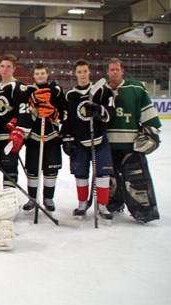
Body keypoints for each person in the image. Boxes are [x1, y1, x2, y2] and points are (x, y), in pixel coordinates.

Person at [105, 58, 161, 223]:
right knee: (110, 180)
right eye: (111, 69)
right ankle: (113, 204)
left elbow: (149, 117)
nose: (114, 72)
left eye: (117, 69)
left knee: (137, 180)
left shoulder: (136, 88)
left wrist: (152, 134)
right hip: (107, 146)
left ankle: (144, 211)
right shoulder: (100, 90)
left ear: (123, 71)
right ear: (107, 72)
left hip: (130, 146)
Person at [62, 59, 115, 219]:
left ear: (89, 72)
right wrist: (67, 138)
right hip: (80, 142)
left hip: (99, 140)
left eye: (85, 71)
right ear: (75, 73)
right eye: (79, 72)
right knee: (81, 174)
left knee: (103, 175)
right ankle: (82, 203)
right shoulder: (70, 96)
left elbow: (111, 113)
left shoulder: (103, 91)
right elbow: (67, 120)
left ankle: (103, 206)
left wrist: (99, 110)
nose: (82, 74)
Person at [19, 63, 66, 212]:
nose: (40, 76)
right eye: (37, 74)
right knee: (32, 170)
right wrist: (32, 100)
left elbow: (63, 112)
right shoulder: (27, 91)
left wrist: (53, 114)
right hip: (33, 137)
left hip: (51, 137)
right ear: (33, 76)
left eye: (42, 73)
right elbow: (23, 112)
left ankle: (48, 198)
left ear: (47, 74)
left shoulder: (56, 91)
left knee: (51, 170)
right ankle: (32, 198)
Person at [0, 54, 30, 189]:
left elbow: (24, 112)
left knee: (9, 167)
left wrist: (19, 131)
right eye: (2, 66)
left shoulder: (19, 87)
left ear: (14, 69)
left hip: (10, 136)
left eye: (8, 67)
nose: (5, 69)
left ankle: (9, 197)